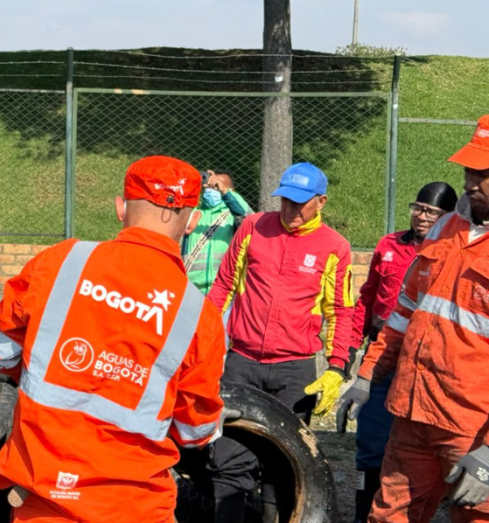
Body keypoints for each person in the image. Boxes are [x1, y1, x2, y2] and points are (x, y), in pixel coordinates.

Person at [0, 155, 228, 523]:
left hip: (47, 497)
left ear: (120, 208)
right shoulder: (198, 315)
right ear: (192, 221)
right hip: (135, 506)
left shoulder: (62, 262)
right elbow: (195, 430)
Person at [340, 116, 489, 523]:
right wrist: (368, 377)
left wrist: (488, 455)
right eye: (469, 170)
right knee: (390, 516)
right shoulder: (445, 227)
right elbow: (404, 313)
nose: (472, 182)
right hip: (413, 411)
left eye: (484, 173)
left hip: (473, 427)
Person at [206, 162, 358, 523]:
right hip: (242, 361)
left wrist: (337, 367)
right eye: (285, 201)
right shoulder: (253, 227)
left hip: (295, 370)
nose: (289, 210)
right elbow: (222, 288)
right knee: (228, 457)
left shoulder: (335, 247)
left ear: (320, 202)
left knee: (285, 464)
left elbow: (340, 310)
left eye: (300, 203)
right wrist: (206, 343)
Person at [336, 182, 457, 523]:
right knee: (371, 446)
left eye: (431, 212)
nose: (421, 216)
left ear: (447, 217)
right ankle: (363, 514)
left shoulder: (447, 253)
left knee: (419, 453)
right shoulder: (389, 246)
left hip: (424, 364)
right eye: (417, 207)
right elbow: (367, 298)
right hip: (383, 357)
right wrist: (348, 351)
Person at [182, 170, 253, 293]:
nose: (213, 188)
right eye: (210, 185)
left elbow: (247, 218)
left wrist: (225, 192)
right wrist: (194, 186)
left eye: (217, 185)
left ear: (231, 191)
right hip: (190, 289)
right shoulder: (193, 212)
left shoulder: (233, 214)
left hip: (224, 289)